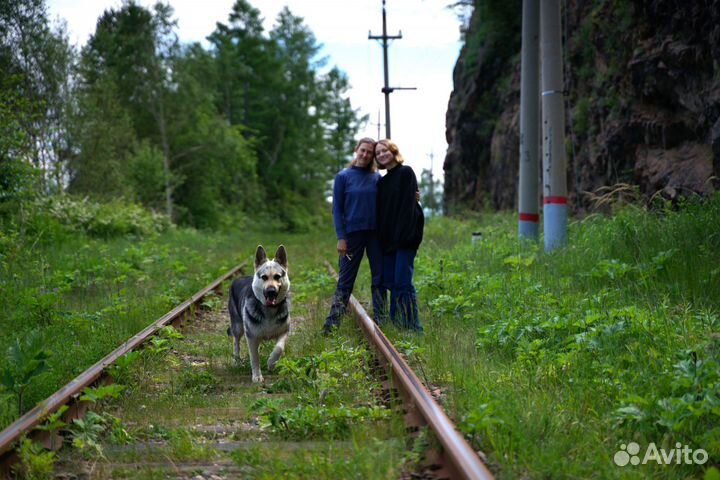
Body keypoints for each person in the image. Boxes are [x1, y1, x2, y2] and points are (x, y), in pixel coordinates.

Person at [322, 137, 386, 335]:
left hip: (375, 236)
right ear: (356, 150)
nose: (366, 155)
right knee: (345, 281)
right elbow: (337, 210)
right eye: (363, 150)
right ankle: (330, 327)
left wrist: (413, 195)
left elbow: (391, 199)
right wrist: (341, 238)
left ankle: (381, 321)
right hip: (351, 236)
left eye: (370, 152)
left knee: (379, 279)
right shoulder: (343, 177)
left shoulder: (377, 178)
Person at [374, 139, 424, 332]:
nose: (382, 154)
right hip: (387, 242)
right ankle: (397, 323)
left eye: (384, 150)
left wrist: (402, 237)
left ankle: (414, 326)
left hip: (404, 240)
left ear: (393, 151)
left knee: (403, 283)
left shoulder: (406, 172)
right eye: (378, 153)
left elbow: (408, 208)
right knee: (391, 283)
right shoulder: (382, 181)